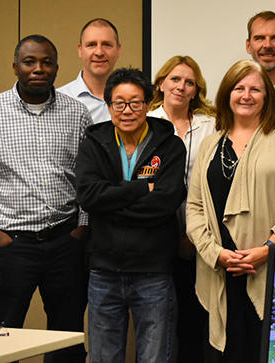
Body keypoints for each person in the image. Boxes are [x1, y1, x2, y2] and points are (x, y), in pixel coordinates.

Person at [0, 34, 91, 362]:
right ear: (15, 67)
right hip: (13, 245)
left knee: (66, 339)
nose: (38, 68)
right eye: (30, 62)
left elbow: (89, 180)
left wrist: (81, 227)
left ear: (56, 68)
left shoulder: (78, 113)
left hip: (66, 242)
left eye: (46, 62)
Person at [186, 59, 275, 363]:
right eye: (239, 87)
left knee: (262, 350)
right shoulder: (209, 144)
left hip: (268, 267)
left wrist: (269, 248)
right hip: (219, 266)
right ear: (227, 94)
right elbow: (194, 207)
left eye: (255, 89)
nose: (246, 95)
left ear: (267, 96)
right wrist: (214, 252)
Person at [76, 68, 185, 362]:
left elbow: (166, 202)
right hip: (103, 270)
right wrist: (141, 188)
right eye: (119, 103)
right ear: (108, 105)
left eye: (135, 102)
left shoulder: (171, 146)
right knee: (103, 357)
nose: (127, 111)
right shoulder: (93, 144)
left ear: (148, 104)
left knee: (155, 356)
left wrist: (112, 202)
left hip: (153, 270)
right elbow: (89, 197)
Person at [148, 55, 216, 363]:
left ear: (196, 90)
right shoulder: (144, 122)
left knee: (193, 323)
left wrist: (192, 234)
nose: (181, 87)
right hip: (155, 235)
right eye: (175, 79)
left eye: (189, 82)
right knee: (158, 325)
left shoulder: (212, 126)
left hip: (200, 236)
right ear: (161, 83)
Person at [59, 18, 122, 124]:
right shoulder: (59, 100)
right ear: (80, 50)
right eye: (91, 45)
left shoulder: (135, 100)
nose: (99, 52)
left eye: (107, 45)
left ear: (118, 50)